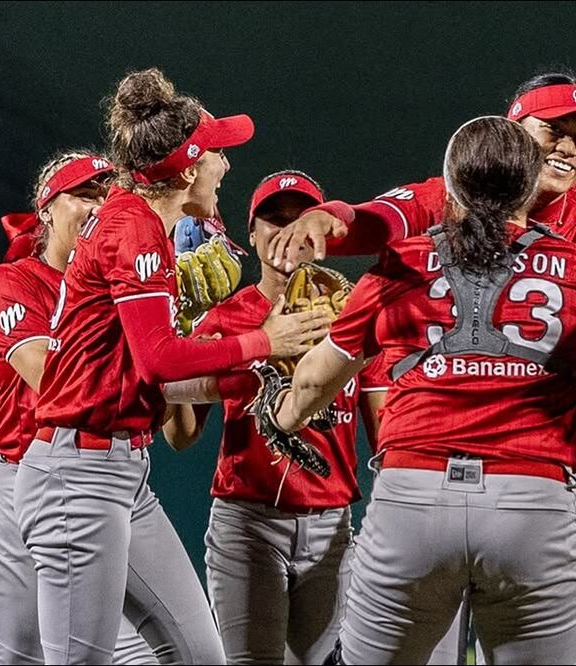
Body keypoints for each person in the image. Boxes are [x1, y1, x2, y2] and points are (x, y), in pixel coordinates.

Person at [265, 116, 576, 665]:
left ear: (450, 185)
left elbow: (317, 379)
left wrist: (284, 413)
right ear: (528, 182)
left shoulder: (403, 263)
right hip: (531, 503)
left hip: (414, 498)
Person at [13, 68, 329, 665]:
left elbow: (145, 367)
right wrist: (262, 341)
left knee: (199, 654)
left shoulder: (143, 224)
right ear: (186, 168)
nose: (225, 166)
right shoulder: (133, 228)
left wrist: (246, 372)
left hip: (118, 471)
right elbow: (158, 360)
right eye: (216, 153)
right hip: (76, 474)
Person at [163, 170, 387, 665]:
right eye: (272, 220)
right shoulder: (226, 318)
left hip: (332, 527)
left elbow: (385, 435)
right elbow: (179, 435)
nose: (285, 231)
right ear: (252, 233)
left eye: (296, 219)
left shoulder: (352, 313)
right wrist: (176, 338)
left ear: (319, 233)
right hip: (248, 524)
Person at [0, 151, 157, 665]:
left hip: (100, 478)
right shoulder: (13, 281)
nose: (99, 205)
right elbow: (51, 378)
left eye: (106, 194)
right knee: (23, 658)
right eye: (84, 194)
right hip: (18, 479)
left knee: (141, 653)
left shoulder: (120, 290)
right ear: (47, 209)